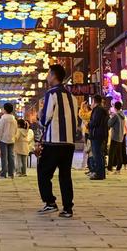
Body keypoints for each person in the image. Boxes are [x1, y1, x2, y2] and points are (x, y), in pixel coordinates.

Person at [36, 64, 77, 218]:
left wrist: (40, 118)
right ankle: (67, 208)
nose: (47, 77)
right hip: (69, 142)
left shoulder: (51, 94)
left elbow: (45, 119)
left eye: (48, 74)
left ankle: (50, 202)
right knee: (65, 175)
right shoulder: (72, 97)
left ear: (53, 75)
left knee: (44, 172)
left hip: (53, 142)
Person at [87, 95, 109, 180]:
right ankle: (101, 174)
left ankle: (99, 174)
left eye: (92, 102)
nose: (91, 104)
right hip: (100, 134)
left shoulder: (98, 110)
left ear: (94, 101)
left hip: (97, 135)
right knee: (99, 154)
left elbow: (95, 122)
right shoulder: (101, 110)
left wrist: (88, 124)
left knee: (97, 155)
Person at [0, 103, 18, 179]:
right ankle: (11, 173)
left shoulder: (3, 118)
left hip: (4, 140)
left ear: (5, 109)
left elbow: (0, 130)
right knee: (11, 156)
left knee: (4, 157)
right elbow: (15, 130)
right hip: (11, 139)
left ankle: (3, 173)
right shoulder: (14, 119)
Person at [107, 102, 126, 174]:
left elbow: (109, 123)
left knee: (111, 153)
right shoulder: (123, 115)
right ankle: (118, 169)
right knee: (119, 153)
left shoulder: (116, 115)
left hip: (115, 136)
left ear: (115, 107)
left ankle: (109, 169)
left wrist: (110, 117)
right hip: (121, 136)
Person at [78, 100, 92, 172]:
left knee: (88, 149)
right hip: (87, 132)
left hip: (89, 133)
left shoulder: (90, 113)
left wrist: (81, 106)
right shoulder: (90, 113)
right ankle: (87, 165)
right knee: (87, 149)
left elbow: (82, 115)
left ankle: (89, 165)